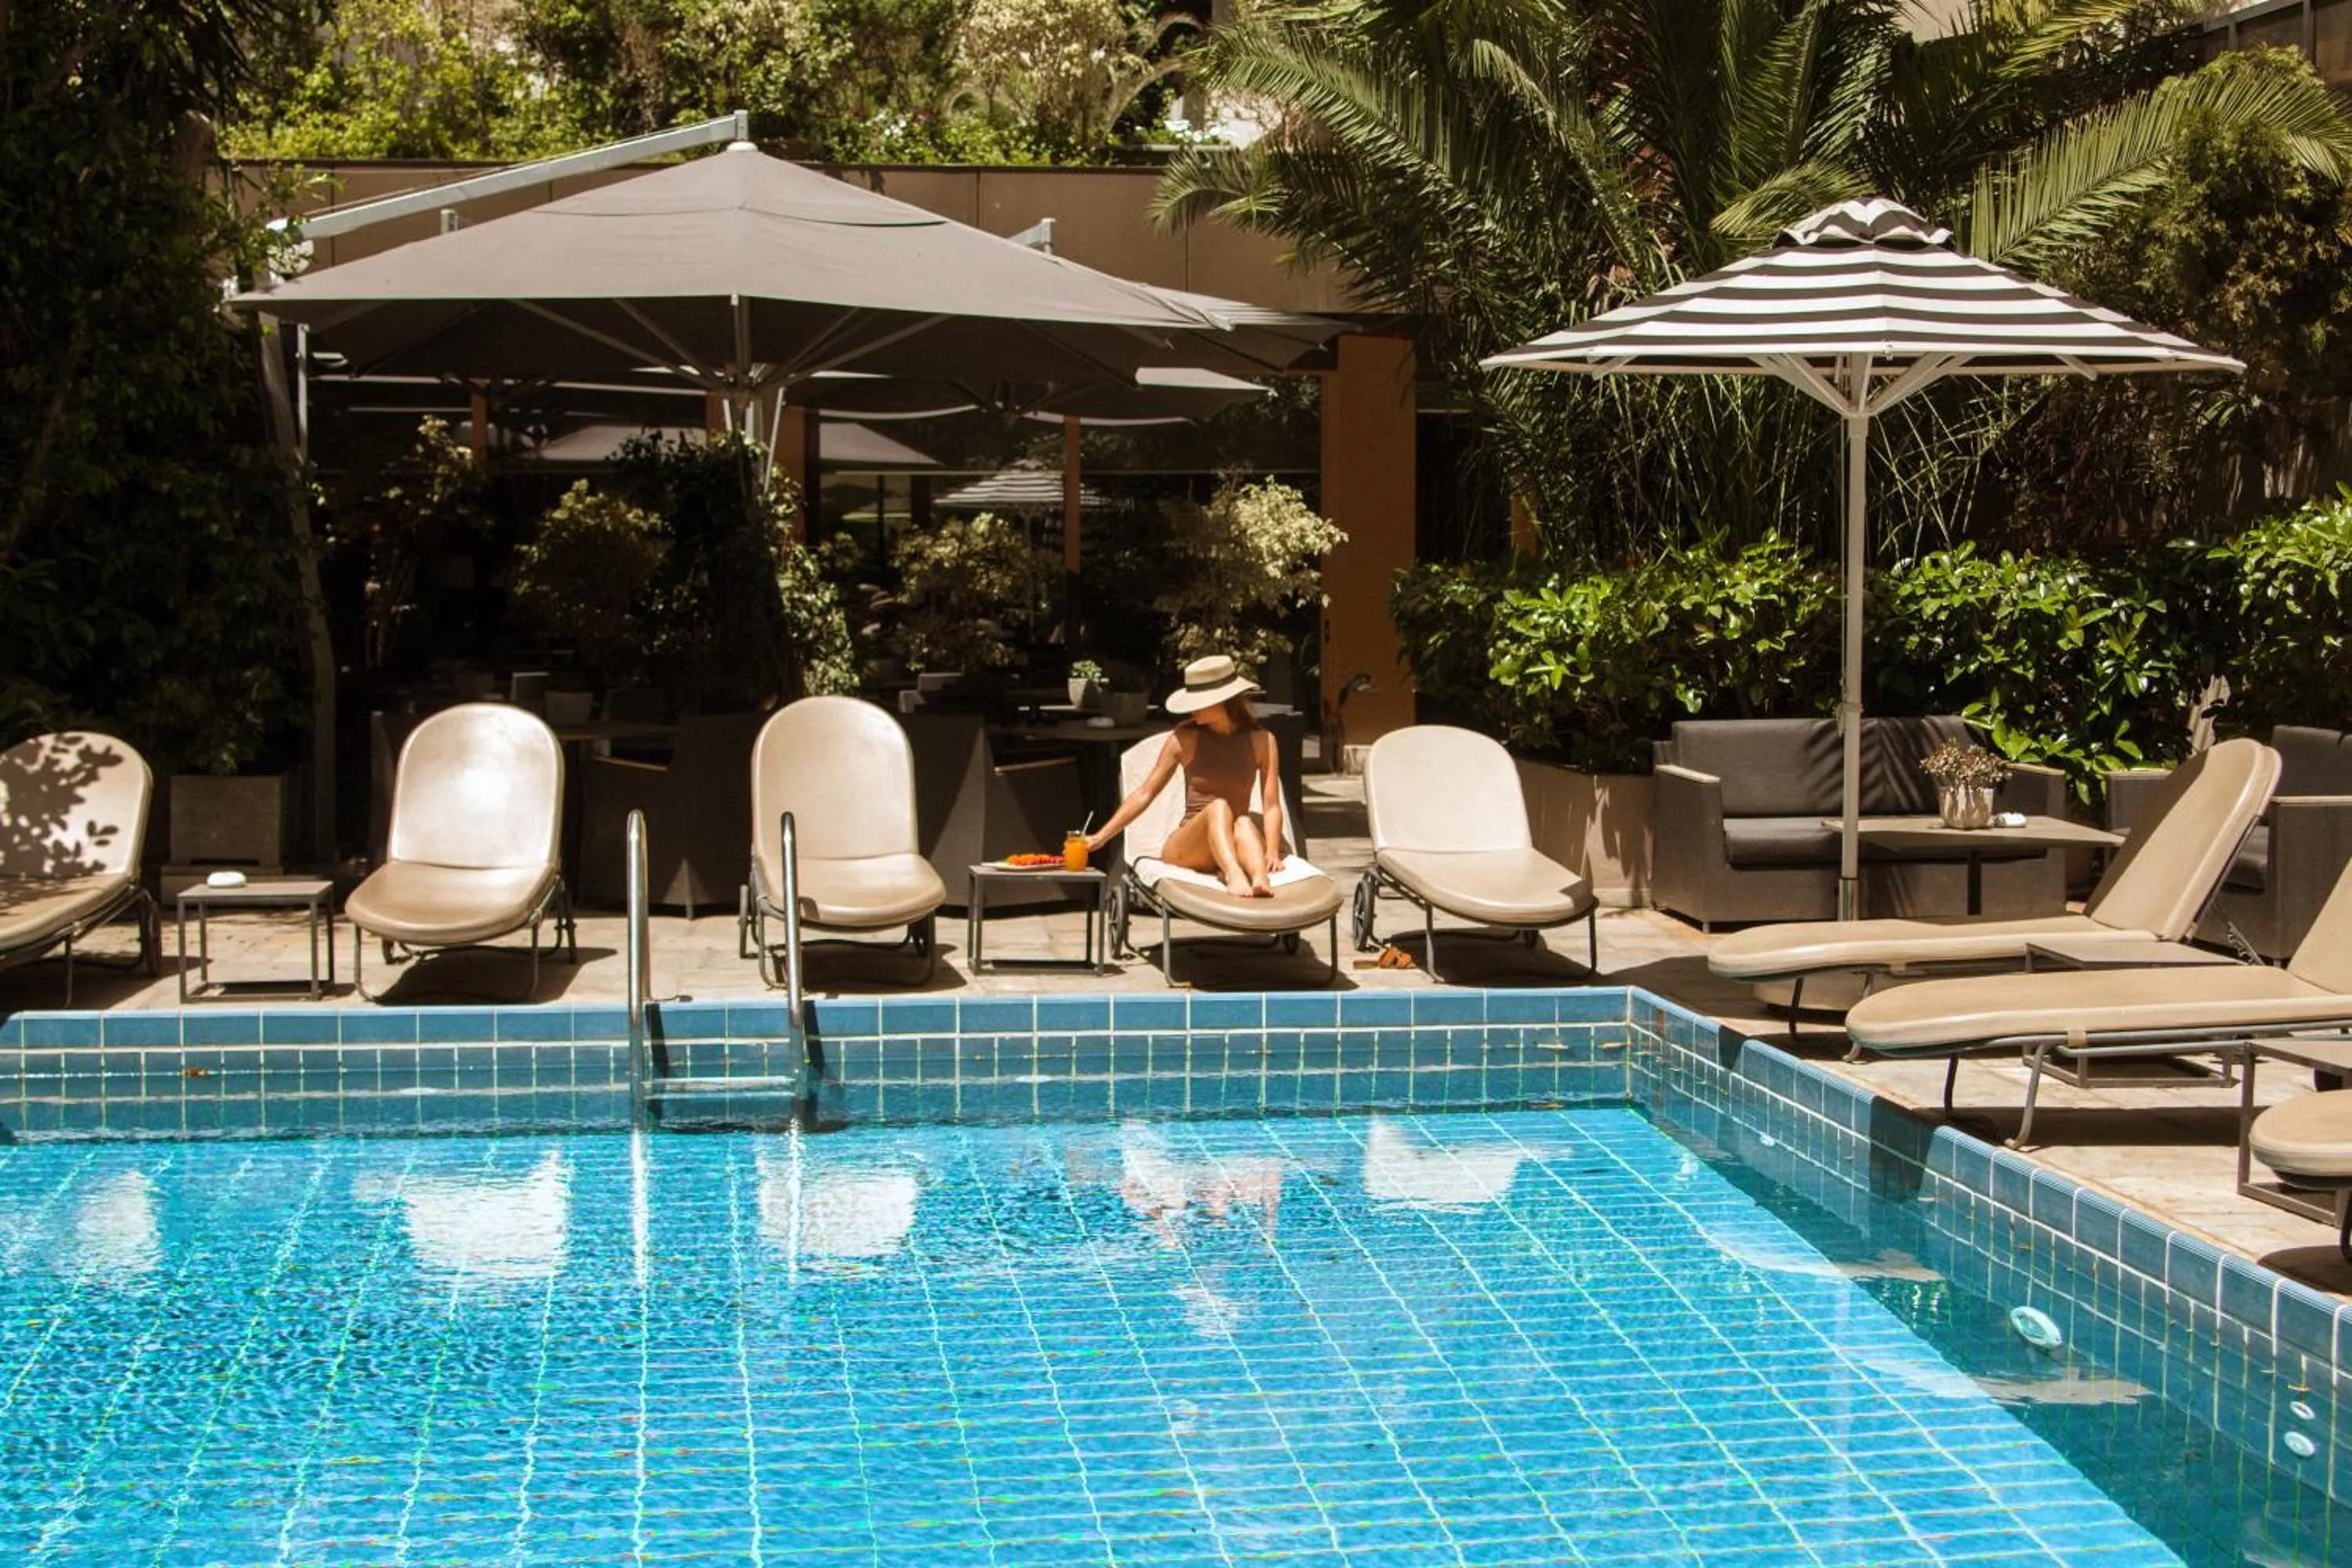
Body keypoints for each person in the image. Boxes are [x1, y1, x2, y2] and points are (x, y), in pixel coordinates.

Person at [1086, 653, 1286, 898]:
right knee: (1218, 807)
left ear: (1223, 701)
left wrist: (1273, 852)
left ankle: (1258, 877)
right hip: (1190, 846)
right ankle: (1233, 872)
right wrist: (1101, 837)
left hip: (1235, 839)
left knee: (1244, 822)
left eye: (1199, 701)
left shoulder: (1263, 741)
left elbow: (1272, 804)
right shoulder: (1184, 740)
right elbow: (1144, 794)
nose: (1191, 709)